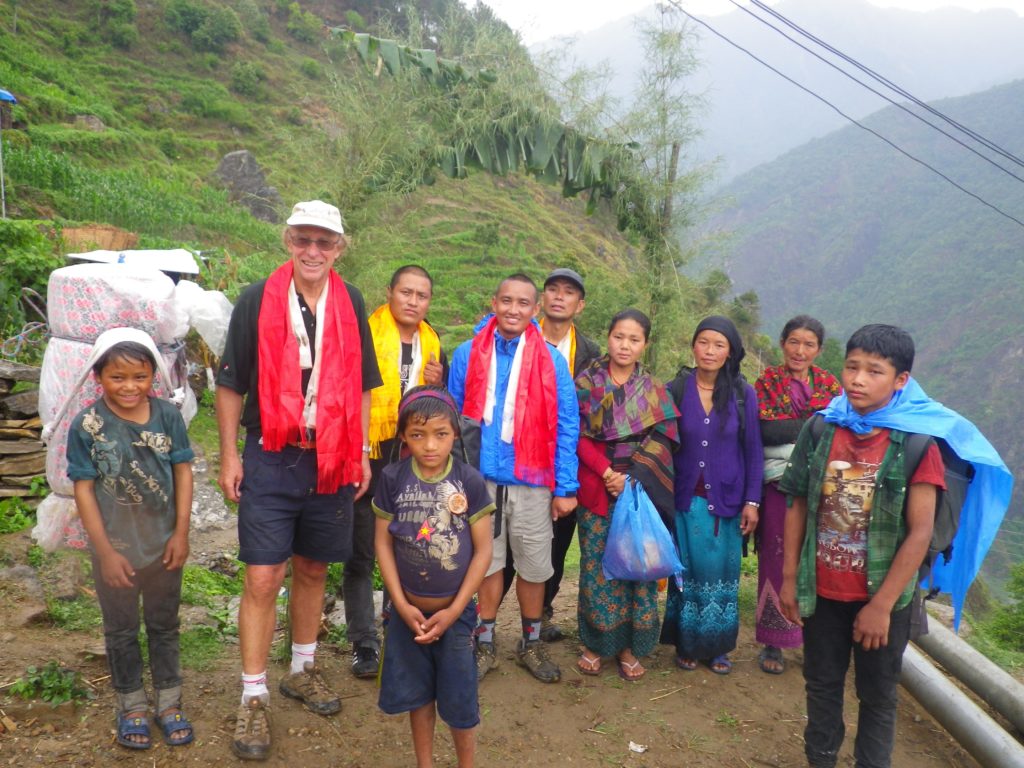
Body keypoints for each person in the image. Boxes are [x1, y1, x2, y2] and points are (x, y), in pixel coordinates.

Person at [216, 200, 382, 761]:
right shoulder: (255, 300)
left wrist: (360, 449)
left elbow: (362, 382)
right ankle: (253, 693)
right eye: (303, 240)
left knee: (313, 568)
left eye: (325, 242)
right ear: (288, 241)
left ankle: (303, 670)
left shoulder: (350, 301)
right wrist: (229, 456)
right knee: (263, 578)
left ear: (340, 247)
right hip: (270, 454)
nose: (313, 252)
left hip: (332, 455)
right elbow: (231, 384)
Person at [780, 324, 945, 768]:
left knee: (877, 695)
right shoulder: (821, 428)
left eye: (875, 371)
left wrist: (882, 606)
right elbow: (796, 503)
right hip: (824, 592)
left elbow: (920, 531)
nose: (858, 379)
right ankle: (821, 759)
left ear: (901, 380)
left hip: (882, 600)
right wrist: (790, 579)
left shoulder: (914, 442)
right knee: (822, 685)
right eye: (852, 367)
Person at [448, 273, 580, 684]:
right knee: (488, 563)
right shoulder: (467, 354)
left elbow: (566, 424)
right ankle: (485, 643)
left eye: (523, 303)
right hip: (480, 480)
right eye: (506, 301)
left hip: (532, 479)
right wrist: (453, 481)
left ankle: (531, 642)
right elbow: (452, 420)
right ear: (494, 302)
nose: (513, 310)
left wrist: (565, 487)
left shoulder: (552, 362)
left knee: (535, 567)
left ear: (535, 309)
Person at [67, 336, 195, 750]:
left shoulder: (167, 418)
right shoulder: (86, 425)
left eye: (139, 377)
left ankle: (169, 702)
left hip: (163, 546)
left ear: (153, 377)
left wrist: (181, 533)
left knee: (164, 625)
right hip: (115, 549)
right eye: (117, 376)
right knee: (120, 630)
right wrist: (105, 552)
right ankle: (132, 705)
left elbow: (183, 474)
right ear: (98, 376)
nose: (128, 386)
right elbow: (84, 490)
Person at [373, 386, 494, 768]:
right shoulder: (392, 479)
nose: (429, 446)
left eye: (440, 434)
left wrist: (456, 610)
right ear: (404, 436)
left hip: (455, 617)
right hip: (407, 615)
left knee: (459, 700)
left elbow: (483, 552)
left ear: (455, 434)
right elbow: (382, 545)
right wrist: (400, 604)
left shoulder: (469, 481)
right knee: (417, 695)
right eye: (418, 435)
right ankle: (424, 763)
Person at [345, 264, 447, 679]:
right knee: (362, 550)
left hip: (412, 453)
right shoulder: (364, 332)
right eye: (406, 292)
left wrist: (439, 384)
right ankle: (363, 642)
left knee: (409, 545)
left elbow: (439, 406)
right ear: (389, 292)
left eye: (421, 296)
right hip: (368, 448)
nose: (413, 301)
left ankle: (399, 631)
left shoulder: (433, 341)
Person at [574, 309, 679, 680]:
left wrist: (631, 477)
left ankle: (631, 647)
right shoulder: (586, 383)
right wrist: (606, 473)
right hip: (597, 488)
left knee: (639, 567)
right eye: (619, 336)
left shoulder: (653, 390)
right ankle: (595, 643)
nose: (625, 345)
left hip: (637, 492)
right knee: (597, 568)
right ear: (609, 337)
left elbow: (663, 438)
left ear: (644, 345)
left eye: (634, 339)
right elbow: (578, 435)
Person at [501, 267, 600, 642]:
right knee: (505, 549)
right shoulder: (516, 336)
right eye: (553, 290)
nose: (560, 297)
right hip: (515, 463)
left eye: (569, 292)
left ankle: (540, 614)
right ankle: (488, 619)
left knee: (557, 545)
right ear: (541, 299)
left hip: (561, 463)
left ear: (580, 304)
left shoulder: (589, 353)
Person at [661, 315, 762, 675]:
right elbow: (662, 445)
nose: (710, 350)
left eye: (719, 345)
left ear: (730, 352)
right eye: (704, 342)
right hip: (685, 500)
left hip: (727, 503)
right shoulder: (676, 388)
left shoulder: (741, 394)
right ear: (693, 345)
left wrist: (753, 501)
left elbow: (752, 450)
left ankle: (718, 647)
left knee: (721, 575)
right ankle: (687, 645)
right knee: (687, 573)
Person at [753, 316, 841, 675]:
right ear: (782, 343)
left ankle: (815, 639)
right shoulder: (767, 382)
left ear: (818, 350)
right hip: (777, 484)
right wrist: (810, 426)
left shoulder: (829, 384)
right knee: (777, 557)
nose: (799, 351)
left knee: (816, 560)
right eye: (793, 342)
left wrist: (794, 430)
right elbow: (765, 431)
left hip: (820, 488)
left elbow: (834, 431)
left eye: (808, 344)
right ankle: (774, 640)